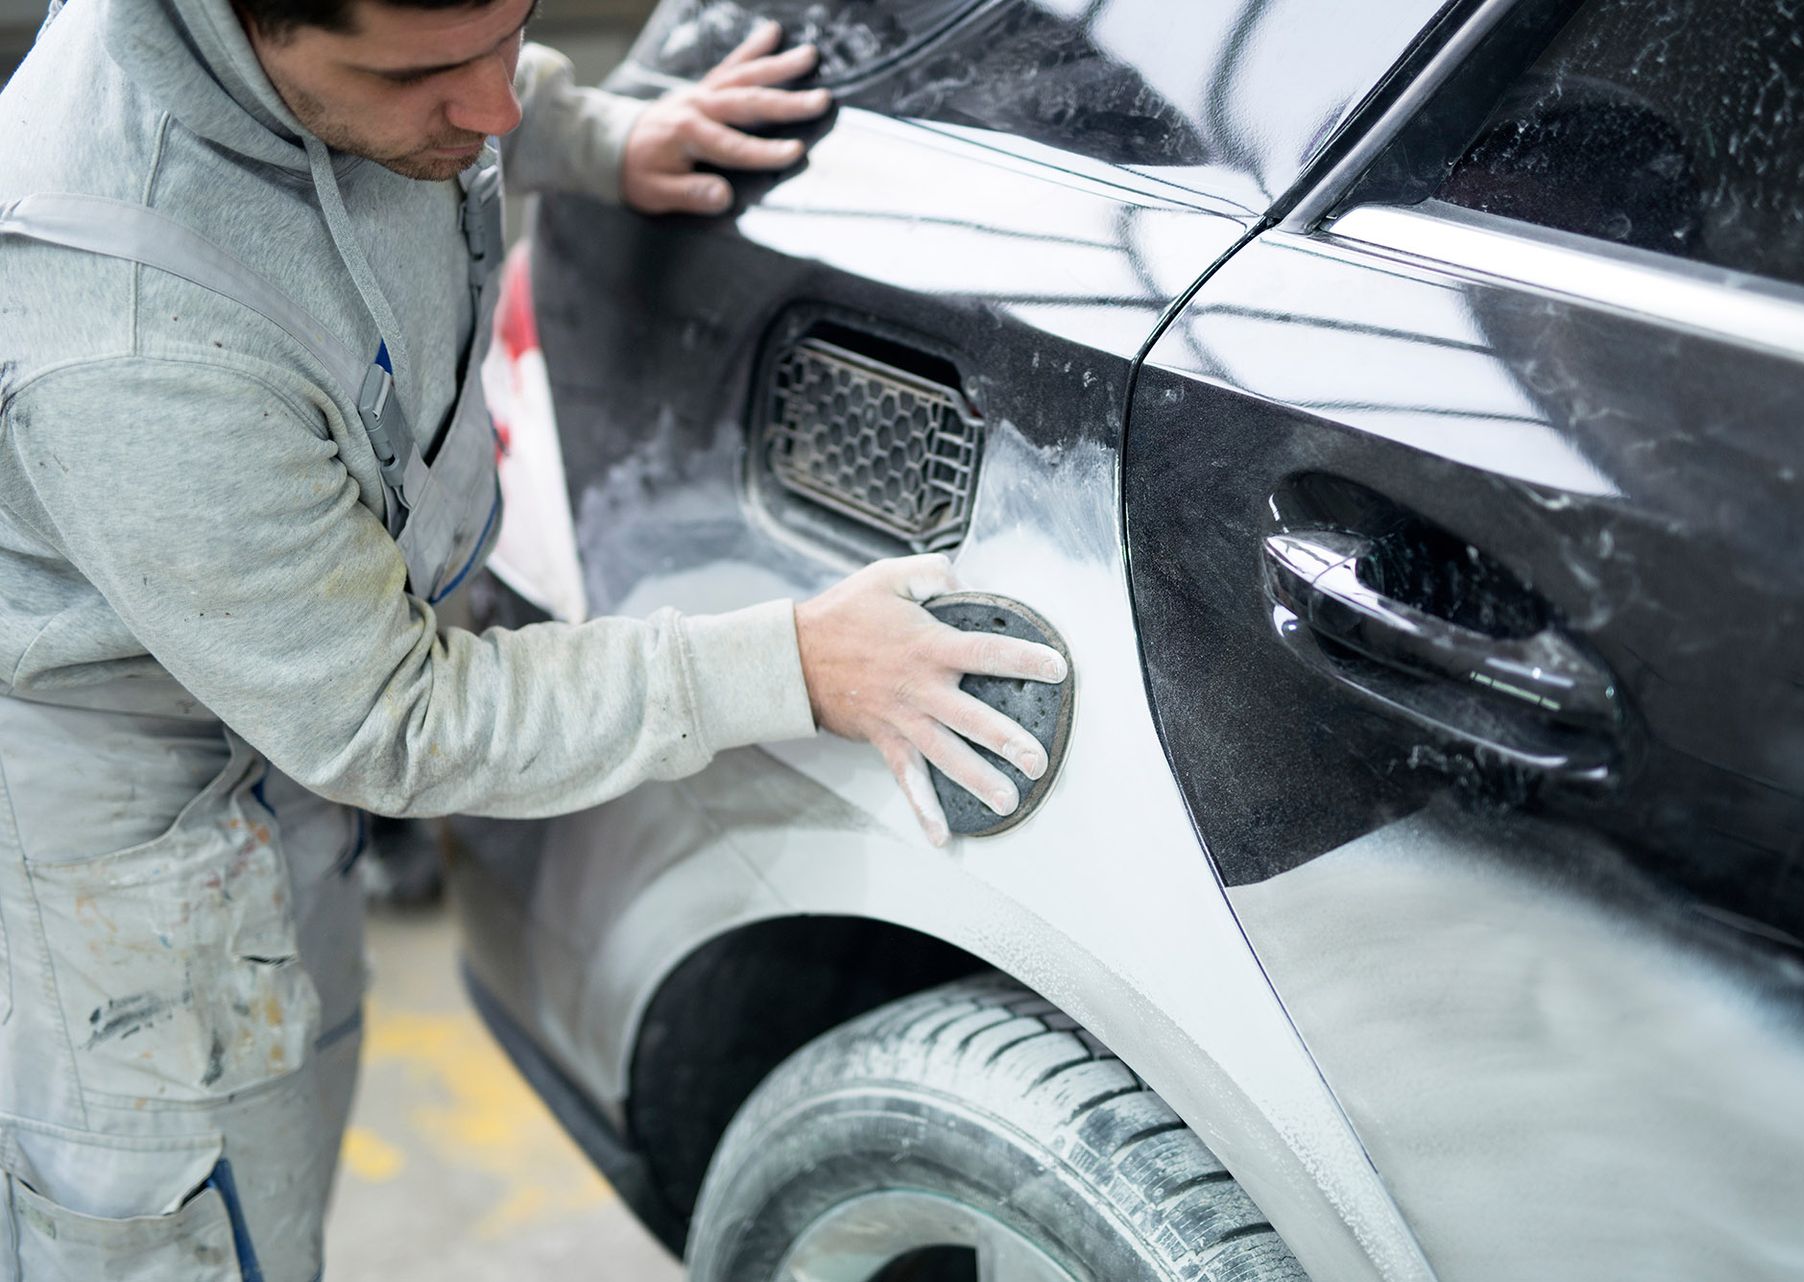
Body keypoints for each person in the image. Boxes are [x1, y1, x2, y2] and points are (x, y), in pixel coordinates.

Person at [0, 1, 1066, 1277]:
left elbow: (471, 91)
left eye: (507, 32)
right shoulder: (128, 342)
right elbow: (390, 720)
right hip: (140, 855)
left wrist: (599, 133)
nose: (492, 108)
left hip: (279, 753)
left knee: (293, 1118)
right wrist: (788, 665)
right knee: (205, 1227)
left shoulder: (383, 69)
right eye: (425, 76)